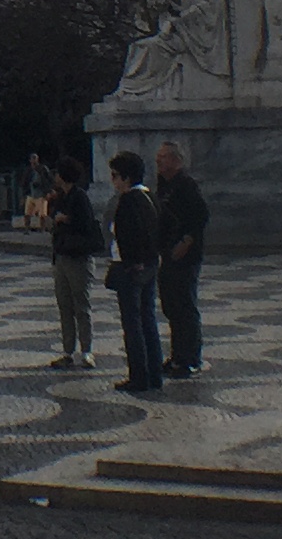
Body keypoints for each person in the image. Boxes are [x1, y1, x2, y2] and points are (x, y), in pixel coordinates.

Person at [105, 150, 165, 396]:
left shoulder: (129, 200)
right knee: (148, 320)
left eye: (115, 176)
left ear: (126, 177)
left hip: (132, 268)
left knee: (133, 324)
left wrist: (132, 260)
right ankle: (154, 374)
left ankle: (138, 376)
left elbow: (128, 234)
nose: (113, 181)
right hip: (151, 265)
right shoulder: (150, 197)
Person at [154, 141, 211, 378]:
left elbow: (200, 215)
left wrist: (187, 241)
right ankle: (178, 355)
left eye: (164, 157)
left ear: (176, 160)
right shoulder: (163, 186)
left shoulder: (186, 185)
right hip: (167, 254)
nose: (158, 161)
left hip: (186, 255)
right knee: (172, 305)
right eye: (158, 157)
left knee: (185, 305)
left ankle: (191, 358)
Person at [46, 165, 102, 370]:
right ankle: (68, 351)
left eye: (58, 173)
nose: (55, 177)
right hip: (61, 255)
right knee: (64, 305)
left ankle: (87, 350)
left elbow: (86, 224)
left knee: (81, 304)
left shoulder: (80, 197)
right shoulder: (61, 197)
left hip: (78, 257)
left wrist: (65, 219)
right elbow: (52, 220)